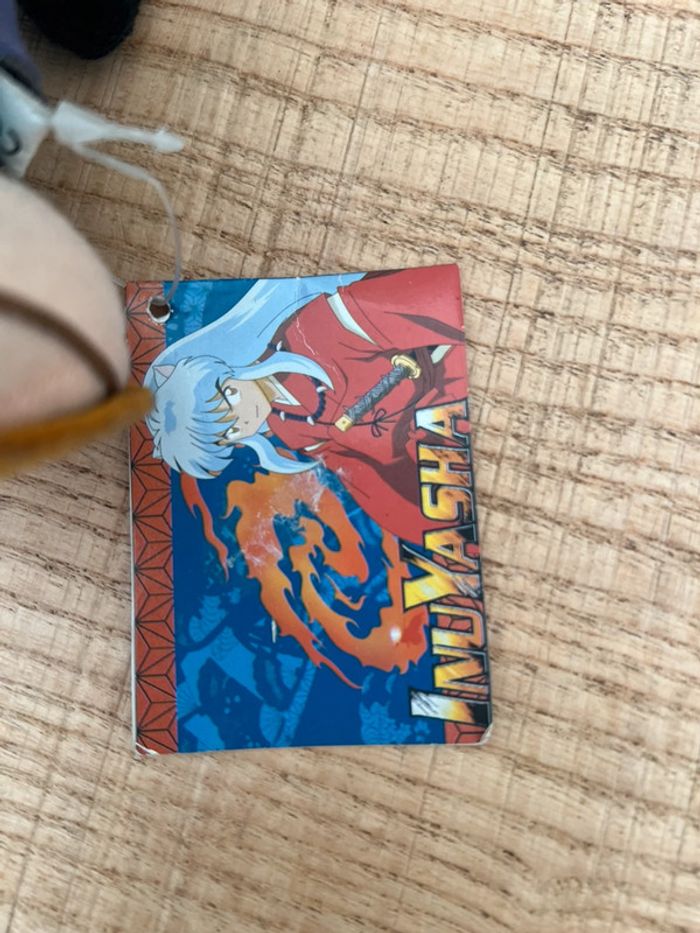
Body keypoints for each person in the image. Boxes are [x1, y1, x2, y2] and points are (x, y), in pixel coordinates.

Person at [145, 265, 468, 544]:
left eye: (229, 397)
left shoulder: (314, 328)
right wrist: (439, 532)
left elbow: (431, 302)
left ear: (226, 369)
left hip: (451, 379)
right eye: (229, 432)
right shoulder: (289, 429)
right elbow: (368, 481)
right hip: (441, 458)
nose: (242, 419)